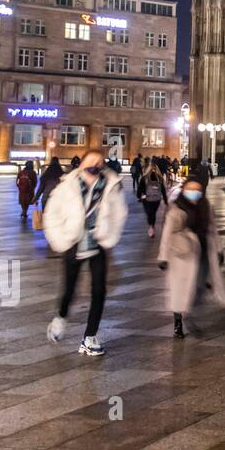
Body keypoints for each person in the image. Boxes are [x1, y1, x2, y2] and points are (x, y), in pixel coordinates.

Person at [42, 149, 128, 357]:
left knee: (99, 290)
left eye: (100, 162)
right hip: (73, 243)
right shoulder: (67, 187)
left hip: (97, 243)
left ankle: (90, 336)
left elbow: (119, 213)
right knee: (69, 289)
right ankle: (60, 318)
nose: (96, 165)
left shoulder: (110, 186)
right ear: (81, 165)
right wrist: (60, 240)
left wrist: (109, 236)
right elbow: (51, 214)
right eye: (92, 161)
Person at [158, 177, 225, 338]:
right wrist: (163, 257)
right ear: (184, 190)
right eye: (190, 190)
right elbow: (166, 234)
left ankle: (190, 313)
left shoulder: (206, 206)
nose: (194, 193)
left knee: (199, 287)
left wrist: (219, 250)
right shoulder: (175, 209)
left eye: (197, 190)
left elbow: (213, 229)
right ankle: (178, 322)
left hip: (204, 251)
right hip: (181, 254)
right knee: (179, 289)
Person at [138, 162, 168, 238]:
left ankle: (151, 226)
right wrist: (165, 200)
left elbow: (140, 189)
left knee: (149, 213)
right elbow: (163, 190)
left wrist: (139, 196)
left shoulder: (144, 178)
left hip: (146, 199)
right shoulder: (159, 178)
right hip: (156, 199)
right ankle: (152, 226)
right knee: (153, 213)